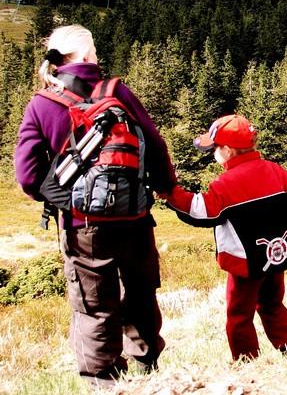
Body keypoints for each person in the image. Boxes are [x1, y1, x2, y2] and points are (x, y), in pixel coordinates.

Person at [14, 24, 176, 387]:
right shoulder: (117, 91)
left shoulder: (43, 103)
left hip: (81, 224)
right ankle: (149, 368)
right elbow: (155, 142)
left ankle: (103, 382)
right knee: (140, 293)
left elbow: (27, 174)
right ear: (88, 55)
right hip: (134, 216)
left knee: (94, 306)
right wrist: (165, 187)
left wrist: (54, 197)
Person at [160, 114, 287, 361]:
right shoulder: (279, 173)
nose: (213, 153)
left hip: (244, 264)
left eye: (214, 148)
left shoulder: (226, 184)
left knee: (239, 312)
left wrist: (170, 194)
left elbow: (201, 211)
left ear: (227, 150)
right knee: (273, 303)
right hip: (277, 255)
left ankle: (246, 358)